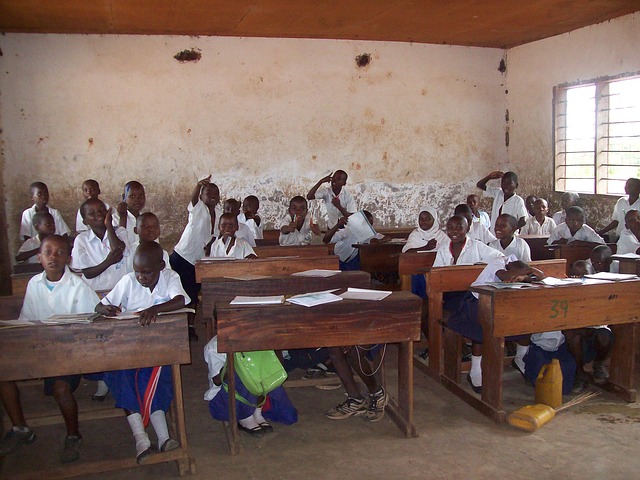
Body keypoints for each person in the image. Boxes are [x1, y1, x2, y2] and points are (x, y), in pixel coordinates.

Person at [0, 235, 100, 463]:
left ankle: (73, 435)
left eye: (59, 252)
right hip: (40, 347)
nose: (53, 257)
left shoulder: (78, 286)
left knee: (61, 388)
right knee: (3, 373)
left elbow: (91, 323)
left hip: (70, 351)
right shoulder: (34, 283)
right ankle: (20, 429)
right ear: (39, 257)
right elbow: (28, 319)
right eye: (48, 252)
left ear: (69, 258)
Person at [95, 242, 188, 464]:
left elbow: (180, 300)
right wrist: (106, 309)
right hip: (127, 349)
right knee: (121, 377)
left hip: (159, 349)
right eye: (137, 271)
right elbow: (100, 306)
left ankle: (164, 438)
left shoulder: (170, 278)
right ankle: (141, 439)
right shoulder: (128, 281)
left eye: (147, 272)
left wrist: (154, 309)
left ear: (161, 266)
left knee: (157, 377)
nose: (141, 277)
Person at [443, 257, 542, 393]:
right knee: (482, 324)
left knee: (525, 318)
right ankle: (476, 369)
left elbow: (539, 278)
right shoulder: (499, 262)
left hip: (501, 302)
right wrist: (527, 271)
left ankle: (520, 358)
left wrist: (526, 277)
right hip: (475, 300)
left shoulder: (519, 266)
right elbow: (504, 275)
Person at [204, 336, 297, 435]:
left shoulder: (257, 336)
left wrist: (273, 345)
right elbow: (217, 380)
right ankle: (245, 417)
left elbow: (278, 366)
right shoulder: (215, 345)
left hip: (258, 393)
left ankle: (257, 412)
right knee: (241, 371)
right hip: (225, 399)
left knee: (289, 417)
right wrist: (235, 358)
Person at [170, 176, 222, 342]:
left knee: (192, 295)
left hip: (199, 261)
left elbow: (215, 234)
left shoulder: (220, 214)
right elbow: (192, 199)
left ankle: (190, 327)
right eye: (208, 192)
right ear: (201, 195)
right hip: (183, 256)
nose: (212, 195)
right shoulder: (198, 208)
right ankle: (176, 327)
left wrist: (211, 244)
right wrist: (198, 185)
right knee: (178, 293)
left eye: (216, 192)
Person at [565, 260, 614, 393]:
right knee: (573, 337)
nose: (579, 278)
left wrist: (584, 330)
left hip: (594, 333)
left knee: (604, 336)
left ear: (593, 274)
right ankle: (580, 374)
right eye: (575, 275)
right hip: (576, 336)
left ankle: (599, 364)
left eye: (584, 275)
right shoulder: (566, 292)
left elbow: (600, 322)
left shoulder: (599, 292)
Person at [71, 198, 129, 291]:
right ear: (85, 222)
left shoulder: (120, 231)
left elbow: (117, 248)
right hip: (94, 291)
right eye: (92, 213)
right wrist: (108, 262)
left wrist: (109, 225)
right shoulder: (82, 240)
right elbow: (87, 273)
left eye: (101, 210)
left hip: (120, 290)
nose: (98, 213)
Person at [433, 215, 503, 267]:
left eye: (459, 228)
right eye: (450, 228)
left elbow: (500, 257)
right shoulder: (443, 249)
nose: (454, 231)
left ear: (467, 229)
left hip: (472, 285)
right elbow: (436, 271)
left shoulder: (477, 246)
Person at [112, 180, 146, 247]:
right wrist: (122, 218)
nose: (137, 200)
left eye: (141, 196)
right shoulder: (115, 219)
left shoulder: (145, 219)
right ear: (124, 197)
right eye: (132, 196)